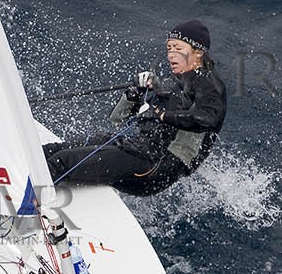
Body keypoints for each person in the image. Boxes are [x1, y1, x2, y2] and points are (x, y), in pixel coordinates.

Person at [41, 20, 227, 196]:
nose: (171, 54)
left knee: (61, 162)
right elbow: (117, 120)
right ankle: (15, 180)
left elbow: (207, 119)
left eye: (178, 48)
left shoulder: (209, 83)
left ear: (198, 52)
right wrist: (134, 94)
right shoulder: (172, 83)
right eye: (169, 48)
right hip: (137, 148)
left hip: (157, 166)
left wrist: (161, 115)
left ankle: (24, 208)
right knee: (52, 150)